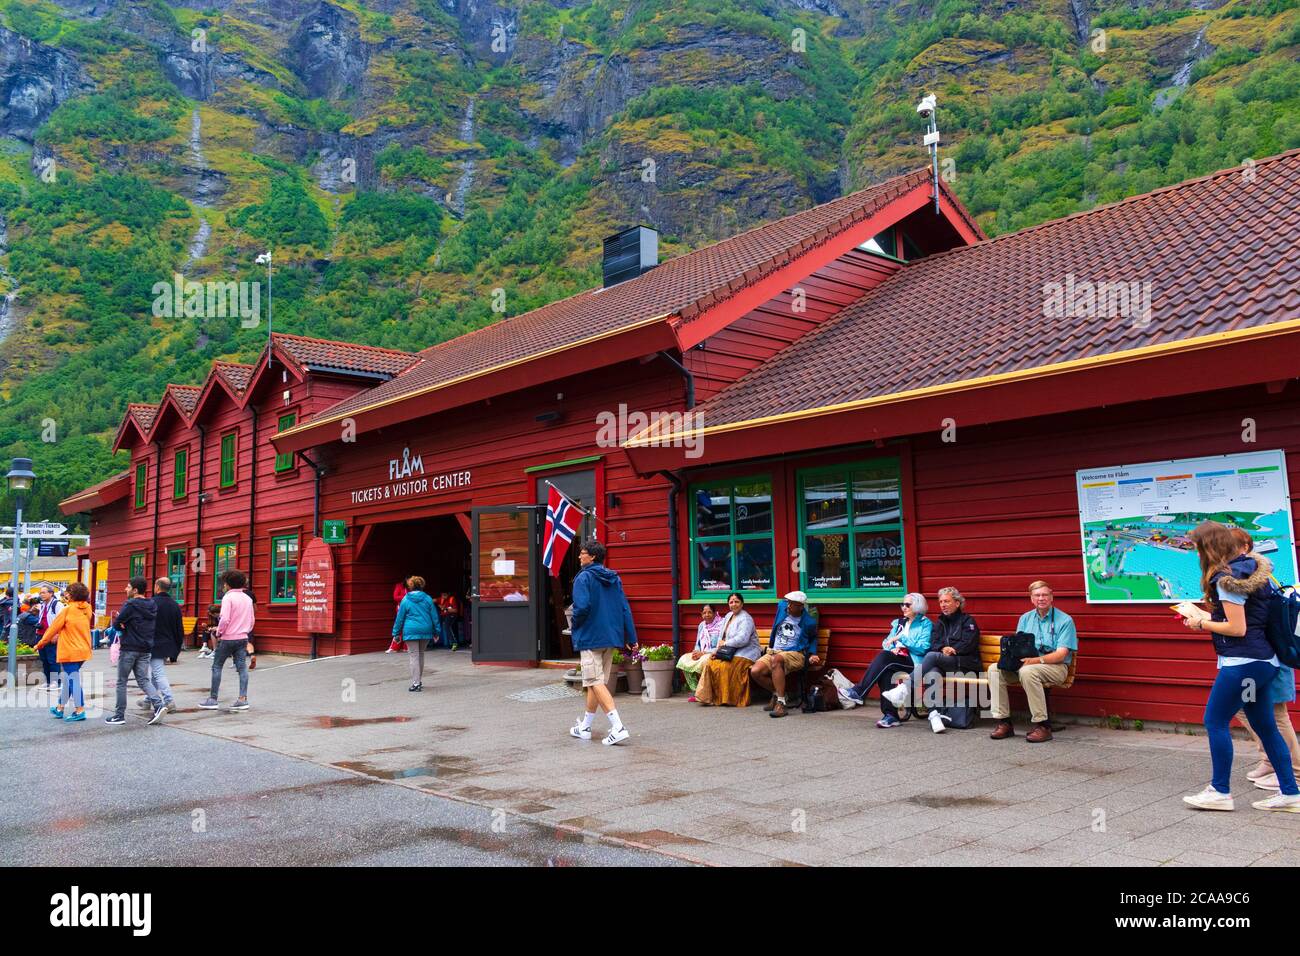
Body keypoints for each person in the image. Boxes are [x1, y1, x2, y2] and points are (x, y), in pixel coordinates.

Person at [1180, 521, 1299, 812]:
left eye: (1197, 548)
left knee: (1215, 721)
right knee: (1264, 725)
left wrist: (1199, 622)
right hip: (1263, 663)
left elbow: (1237, 628)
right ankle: (1291, 793)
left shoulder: (1225, 579)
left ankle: (1219, 791)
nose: (1196, 555)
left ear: (1208, 548)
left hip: (1243, 664)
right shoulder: (1249, 570)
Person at [987, 581, 1078, 743]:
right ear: (1031, 599)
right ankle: (1004, 722)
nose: (1041, 598)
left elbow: (1061, 655)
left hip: (1056, 667)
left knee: (1028, 671)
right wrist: (1011, 659)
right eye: (1037, 595)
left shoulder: (1065, 620)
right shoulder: (1025, 618)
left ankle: (1043, 725)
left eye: (1044, 595)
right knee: (994, 669)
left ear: (1051, 597)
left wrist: (1035, 661)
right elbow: (1019, 646)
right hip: (1027, 665)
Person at [882, 586, 980, 733]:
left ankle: (904, 688)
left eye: (947, 601)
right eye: (941, 602)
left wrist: (953, 649)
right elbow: (934, 642)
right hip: (945, 662)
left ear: (957, 603)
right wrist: (942, 649)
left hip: (965, 663)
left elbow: (970, 642)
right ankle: (934, 715)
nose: (943, 605)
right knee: (932, 671)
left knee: (931, 657)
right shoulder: (940, 622)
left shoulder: (967, 621)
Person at [567, 539, 636, 746]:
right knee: (595, 683)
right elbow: (625, 608)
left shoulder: (583, 578)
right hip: (611, 637)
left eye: (583, 552)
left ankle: (618, 727)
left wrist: (574, 626)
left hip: (589, 637)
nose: (579, 556)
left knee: (594, 681)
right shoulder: (614, 578)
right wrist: (631, 637)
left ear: (593, 556)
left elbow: (581, 607)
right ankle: (585, 727)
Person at [845, 593, 933, 727]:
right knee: (886, 669)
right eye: (902, 604)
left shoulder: (925, 624)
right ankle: (891, 715)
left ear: (917, 605)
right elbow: (886, 642)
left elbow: (923, 648)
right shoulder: (899, 623)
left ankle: (859, 691)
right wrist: (892, 648)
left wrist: (902, 639)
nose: (903, 607)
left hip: (914, 662)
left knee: (884, 658)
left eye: (907, 605)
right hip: (896, 658)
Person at [750, 590, 821, 718]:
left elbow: (813, 638)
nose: (788, 606)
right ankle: (779, 694)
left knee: (777, 660)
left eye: (792, 604)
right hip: (774, 651)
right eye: (788, 602)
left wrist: (812, 654)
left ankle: (781, 704)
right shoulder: (782, 607)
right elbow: (782, 601)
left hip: (795, 653)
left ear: (800, 606)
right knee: (756, 671)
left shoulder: (808, 622)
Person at [107, 577, 165, 726]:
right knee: (143, 680)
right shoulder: (152, 604)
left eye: (127, 587)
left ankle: (119, 715)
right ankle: (159, 705)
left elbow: (117, 623)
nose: (125, 589)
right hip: (145, 648)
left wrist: (121, 627)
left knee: (121, 682)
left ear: (135, 590)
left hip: (129, 647)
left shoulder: (130, 604)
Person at [34, 581, 93, 722]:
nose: (65, 594)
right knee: (68, 679)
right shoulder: (87, 608)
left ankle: (80, 710)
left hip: (70, 651)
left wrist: (40, 644)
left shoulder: (67, 610)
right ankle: (60, 707)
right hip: (83, 650)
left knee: (73, 680)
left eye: (68, 592)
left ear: (72, 595)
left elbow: (52, 629)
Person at [199, 569, 254, 712]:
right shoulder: (247, 599)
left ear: (228, 584)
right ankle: (243, 699)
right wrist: (245, 631)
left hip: (228, 638)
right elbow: (252, 620)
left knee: (217, 666)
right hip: (242, 637)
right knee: (241, 667)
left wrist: (219, 632)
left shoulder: (228, 598)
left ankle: (213, 699)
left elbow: (225, 619)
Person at [695, 593, 760, 707]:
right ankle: (709, 697)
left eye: (736, 601)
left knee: (726, 666)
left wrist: (725, 643)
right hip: (729, 651)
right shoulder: (729, 615)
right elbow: (721, 636)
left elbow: (743, 639)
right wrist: (716, 650)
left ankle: (731, 699)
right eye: (731, 602)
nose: (734, 604)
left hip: (747, 652)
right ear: (728, 604)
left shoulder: (746, 618)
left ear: (742, 603)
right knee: (711, 663)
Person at [138, 577, 182, 714]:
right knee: (156, 674)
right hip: (167, 644)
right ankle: (147, 700)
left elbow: (143, 624)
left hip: (153, 643)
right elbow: (178, 629)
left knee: (158, 673)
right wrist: (176, 650)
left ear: (157, 587)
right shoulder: (175, 605)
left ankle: (169, 701)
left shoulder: (151, 602)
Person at [393, 575, 438, 691]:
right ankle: (419, 680)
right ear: (422, 585)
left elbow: (400, 618)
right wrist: (436, 631)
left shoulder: (405, 600)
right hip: (425, 629)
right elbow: (434, 616)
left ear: (410, 586)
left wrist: (396, 633)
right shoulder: (428, 598)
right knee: (421, 654)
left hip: (411, 629)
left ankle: (416, 683)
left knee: (414, 656)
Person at [676, 604, 724, 700]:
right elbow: (697, 643)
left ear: (715, 613)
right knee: (683, 660)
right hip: (701, 653)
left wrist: (703, 653)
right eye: (704, 613)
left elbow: (720, 645)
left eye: (709, 612)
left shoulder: (722, 624)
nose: (707, 615)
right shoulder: (702, 625)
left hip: (715, 653)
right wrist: (696, 652)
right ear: (701, 614)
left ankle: (707, 692)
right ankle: (697, 691)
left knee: (704, 661)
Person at [34, 585, 64, 692]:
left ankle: (56, 682)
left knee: (52, 659)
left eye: (44, 592)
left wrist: (57, 634)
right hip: (41, 635)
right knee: (44, 659)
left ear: (51, 593)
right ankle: (48, 681)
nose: (41, 594)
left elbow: (62, 620)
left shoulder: (57, 604)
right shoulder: (42, 605)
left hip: (51, 635)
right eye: (40, 593)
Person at [387, 580, 408, 653]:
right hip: (401, 609)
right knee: (399, 627)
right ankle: (394, 647)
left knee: (407, 628)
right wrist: (406, 597)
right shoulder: (399, 586)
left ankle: (405, 647)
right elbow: (395, 597)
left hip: (409, 610)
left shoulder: (412, 587)